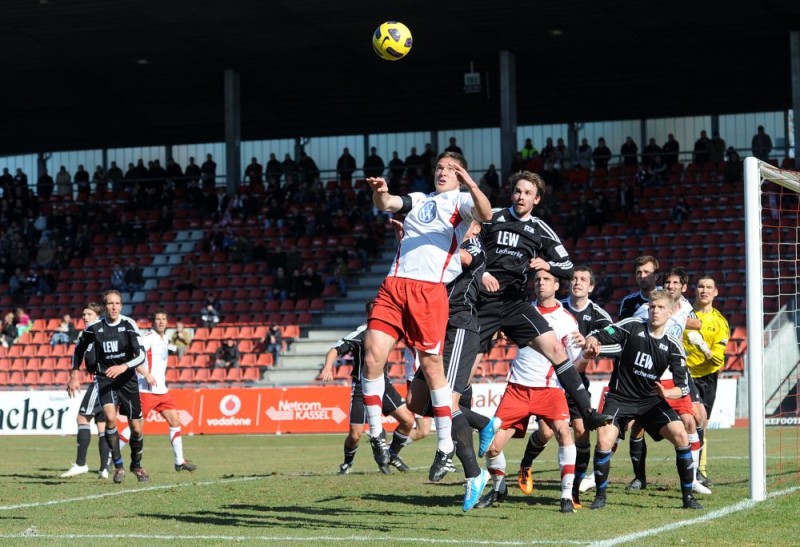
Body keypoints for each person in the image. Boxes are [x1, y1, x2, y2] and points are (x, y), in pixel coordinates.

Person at [360, 151, 492, 482]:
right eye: (439, 168)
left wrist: (471, 184)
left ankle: (445, 445)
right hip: (394, 285)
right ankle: (376, 434)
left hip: (428, 292)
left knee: (432, 368)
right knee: (372, 354)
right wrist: (380, 191)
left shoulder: (461, 201)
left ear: (461, 174)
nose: (442, 172)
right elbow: (388, 203)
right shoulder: (420, 199)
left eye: (450, 168)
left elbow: (486, 213)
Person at [475, 171, 611, 439]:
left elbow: (568, 266)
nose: (521, 196)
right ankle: (473, 428)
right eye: (517, 191)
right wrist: (482, 273)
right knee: (463, 379)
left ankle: (588, 412)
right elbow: (469, 245)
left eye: (527, 193)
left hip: (515, 304)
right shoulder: (493, 216)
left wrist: (547, 264)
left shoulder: (540, 229)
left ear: (536, 199)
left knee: (557, 351)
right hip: (483, 304)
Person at [402, 220, 496, 511]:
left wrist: (418, 245)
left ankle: (474, 474)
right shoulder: (447, 245)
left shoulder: (472, 246)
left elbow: (461, 259)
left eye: (465, 222)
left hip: (459, 326)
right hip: (437, 326)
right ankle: (482, 422)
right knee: (415, 401)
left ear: (476, 228)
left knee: (449, 403)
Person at [582, 289, 703, 510]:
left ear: (670, 312)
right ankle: (600, 496)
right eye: (652, 307)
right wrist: (592, 338)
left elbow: (682, 388)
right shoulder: (632, 325)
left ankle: (687, 497)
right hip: (620, 398)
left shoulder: (673, 345)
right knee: (604, 440)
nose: (655, 311)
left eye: (660, 308)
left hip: (651, 401)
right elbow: (605, 332)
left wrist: (667, 394)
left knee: (681, 436)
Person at [478, 269, 583, 514]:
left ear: (557, 285)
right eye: (537, 280)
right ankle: (499, 488)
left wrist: (586, 353)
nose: (541, 283)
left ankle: (566, 497)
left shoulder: (567, 320)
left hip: (549, 389)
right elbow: (498, 331)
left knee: (563, 434)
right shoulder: (519, 309)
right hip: (517, 388)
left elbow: (573, 362)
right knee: (492, 448)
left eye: (547, 279)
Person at [517, 265, 614, 505]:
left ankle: (574, 492)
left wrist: (592, 346)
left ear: (591, 287)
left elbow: (613, 342)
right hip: (546, 380)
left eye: (583, 279)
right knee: (546, 432)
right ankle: (526, 464)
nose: (577, 282)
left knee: (581, 433)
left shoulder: (600, 316)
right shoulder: (555, 307)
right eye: (574, 278)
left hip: (574, 381)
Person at [624, 268, 710, 496]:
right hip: (649, 375)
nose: (671, 286)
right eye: (668, 282)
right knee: (636, 425)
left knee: (692, 420)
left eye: (675, 283)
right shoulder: (649, 309)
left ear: (682, 287)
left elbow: (695, 325)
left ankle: (692, 478)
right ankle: (638, 477)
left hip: (674, 374)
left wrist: (702, 345)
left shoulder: (684, 309)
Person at [319, 300, 421, 475]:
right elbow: (334, 349)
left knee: (408, 421)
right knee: (355, 434)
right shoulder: (362, 332)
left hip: (384, 385)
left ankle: (392, 454)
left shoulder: (388, 330)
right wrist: (328, 367)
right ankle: (347, 463)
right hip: (361, 387)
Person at [71, 290, 149, 483]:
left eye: (117, 303)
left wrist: (124, 366)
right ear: (104, 306)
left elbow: (141, 355)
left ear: (121, 306)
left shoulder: (128, 324)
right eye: (110, 303)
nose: (114, 307)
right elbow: (78, 350)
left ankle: (136, 464)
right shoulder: (95, 328)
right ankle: (118, 465)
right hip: (105, 378)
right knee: (110, 419)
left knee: (136, 428)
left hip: (127, 379)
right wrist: (73, 375)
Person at [135, 310, 198, 472]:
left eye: (164, 319)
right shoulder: (147, 338)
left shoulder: (164, 339)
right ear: (152, 322)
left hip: (162, 391)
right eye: (158, 319)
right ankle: (112, 458)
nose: (161, 322)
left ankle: (179, 462)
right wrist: (146, 374)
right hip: (146, 390)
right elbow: (133, 359)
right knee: (136, 428)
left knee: (176, 422)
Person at [684, 275, 729, 488]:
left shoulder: (720, 322)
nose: (704, 290)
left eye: (709, 287)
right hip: (685, 374)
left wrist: (703, 347)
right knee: (689, 421)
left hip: (708, 376)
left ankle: (699, 469)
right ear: (695, 290)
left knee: (703, 423)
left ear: (715, 292)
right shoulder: (684, 315)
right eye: (701, 286)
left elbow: (719, 358)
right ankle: (692, 470)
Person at [62, 302, 113, 479]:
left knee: (82, 418)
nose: (85, 317)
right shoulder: (85, 334)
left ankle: (81, 464)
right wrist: (74, 376)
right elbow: (78, 355)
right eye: (84, 314)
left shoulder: (102, 331)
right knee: (102, 425)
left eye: (89, 314)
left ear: (97, 316)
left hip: (102, 381)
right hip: (101, 380)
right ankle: (104, 468)